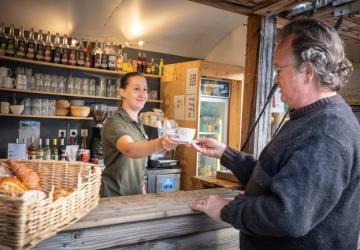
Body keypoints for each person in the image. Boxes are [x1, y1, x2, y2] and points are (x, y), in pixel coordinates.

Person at [189, 18, 360, 250]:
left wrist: (224, 209)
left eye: (279, 69)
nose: (275, 79)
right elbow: (276, 180)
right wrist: (226, 154)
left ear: (308, 71)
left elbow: (287, 215)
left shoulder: (326, 133)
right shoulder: (310, 119)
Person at [101, 72, 178, 197]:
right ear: (122, 92)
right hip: (113, 197)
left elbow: (139, 169)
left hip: (133, 196)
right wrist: (160, 142)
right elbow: (129, 149)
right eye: (137, 89)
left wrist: (143, 195)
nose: (143, 94)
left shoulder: (139, 124)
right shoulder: (115, 123)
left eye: (145, 89)